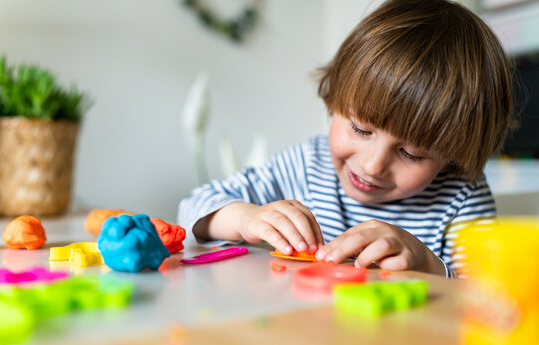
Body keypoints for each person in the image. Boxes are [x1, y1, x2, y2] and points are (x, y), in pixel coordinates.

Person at [178, 0, 513, 277]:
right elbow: (191, 210)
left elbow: (488, 297)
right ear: (335, 99)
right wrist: (246, 219)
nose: (372, 165)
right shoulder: (309, 164)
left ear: (453, 156)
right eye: (361, 129)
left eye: (412, 153)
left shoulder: (462, 196)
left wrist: (427, 264)